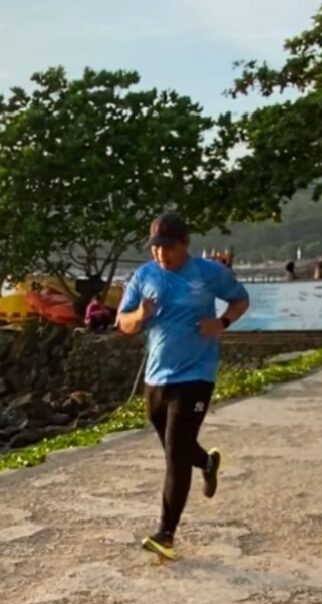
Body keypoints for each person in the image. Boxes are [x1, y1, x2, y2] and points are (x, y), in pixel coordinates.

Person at [117, 212, 250, 561]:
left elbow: (241, 300)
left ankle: (166, 534)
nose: (162, 256)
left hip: (197, 374)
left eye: (169, 248)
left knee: (176, 454)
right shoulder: (144, 276)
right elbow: (123, 323)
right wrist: (140, 316)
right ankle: (207, 462)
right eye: (156, 248)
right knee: (176, 447)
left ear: (185, 244)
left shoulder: (209, 273)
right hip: (157, 377)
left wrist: (221, 322)